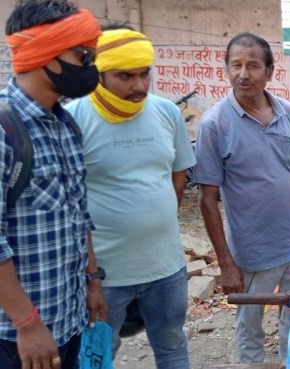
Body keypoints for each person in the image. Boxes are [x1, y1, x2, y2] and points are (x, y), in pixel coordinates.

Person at [64, 25, 195, 368]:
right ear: (99, 72)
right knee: (98, 356)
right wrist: (90, 277)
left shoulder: (166, 113)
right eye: (125, 76)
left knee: (172, 347)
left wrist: (155, 219)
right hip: (105, 276)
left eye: (144, 74)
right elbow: (72, 205)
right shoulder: (74, 119)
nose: (138, 85)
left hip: (166, 269)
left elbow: (178, 175)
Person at [0, 1, 107, 368]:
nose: (91, 66)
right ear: (45, 52)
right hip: (16, 337)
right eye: (83, 54)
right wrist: (26, 324)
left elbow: (79, 213)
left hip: (70, 319)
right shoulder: (4, 131)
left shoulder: (66, 125)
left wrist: (92, 282)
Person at [194, 32, 290, 364]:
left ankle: (289, 361)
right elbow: (207, 199)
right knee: (249, 324)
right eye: (236, 65)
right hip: (252, 251)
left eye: (253, 65)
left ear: (269, 72)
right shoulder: (214, 124)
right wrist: (226, 263)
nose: (243, 74)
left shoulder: (288, 113)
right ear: (226, 70)